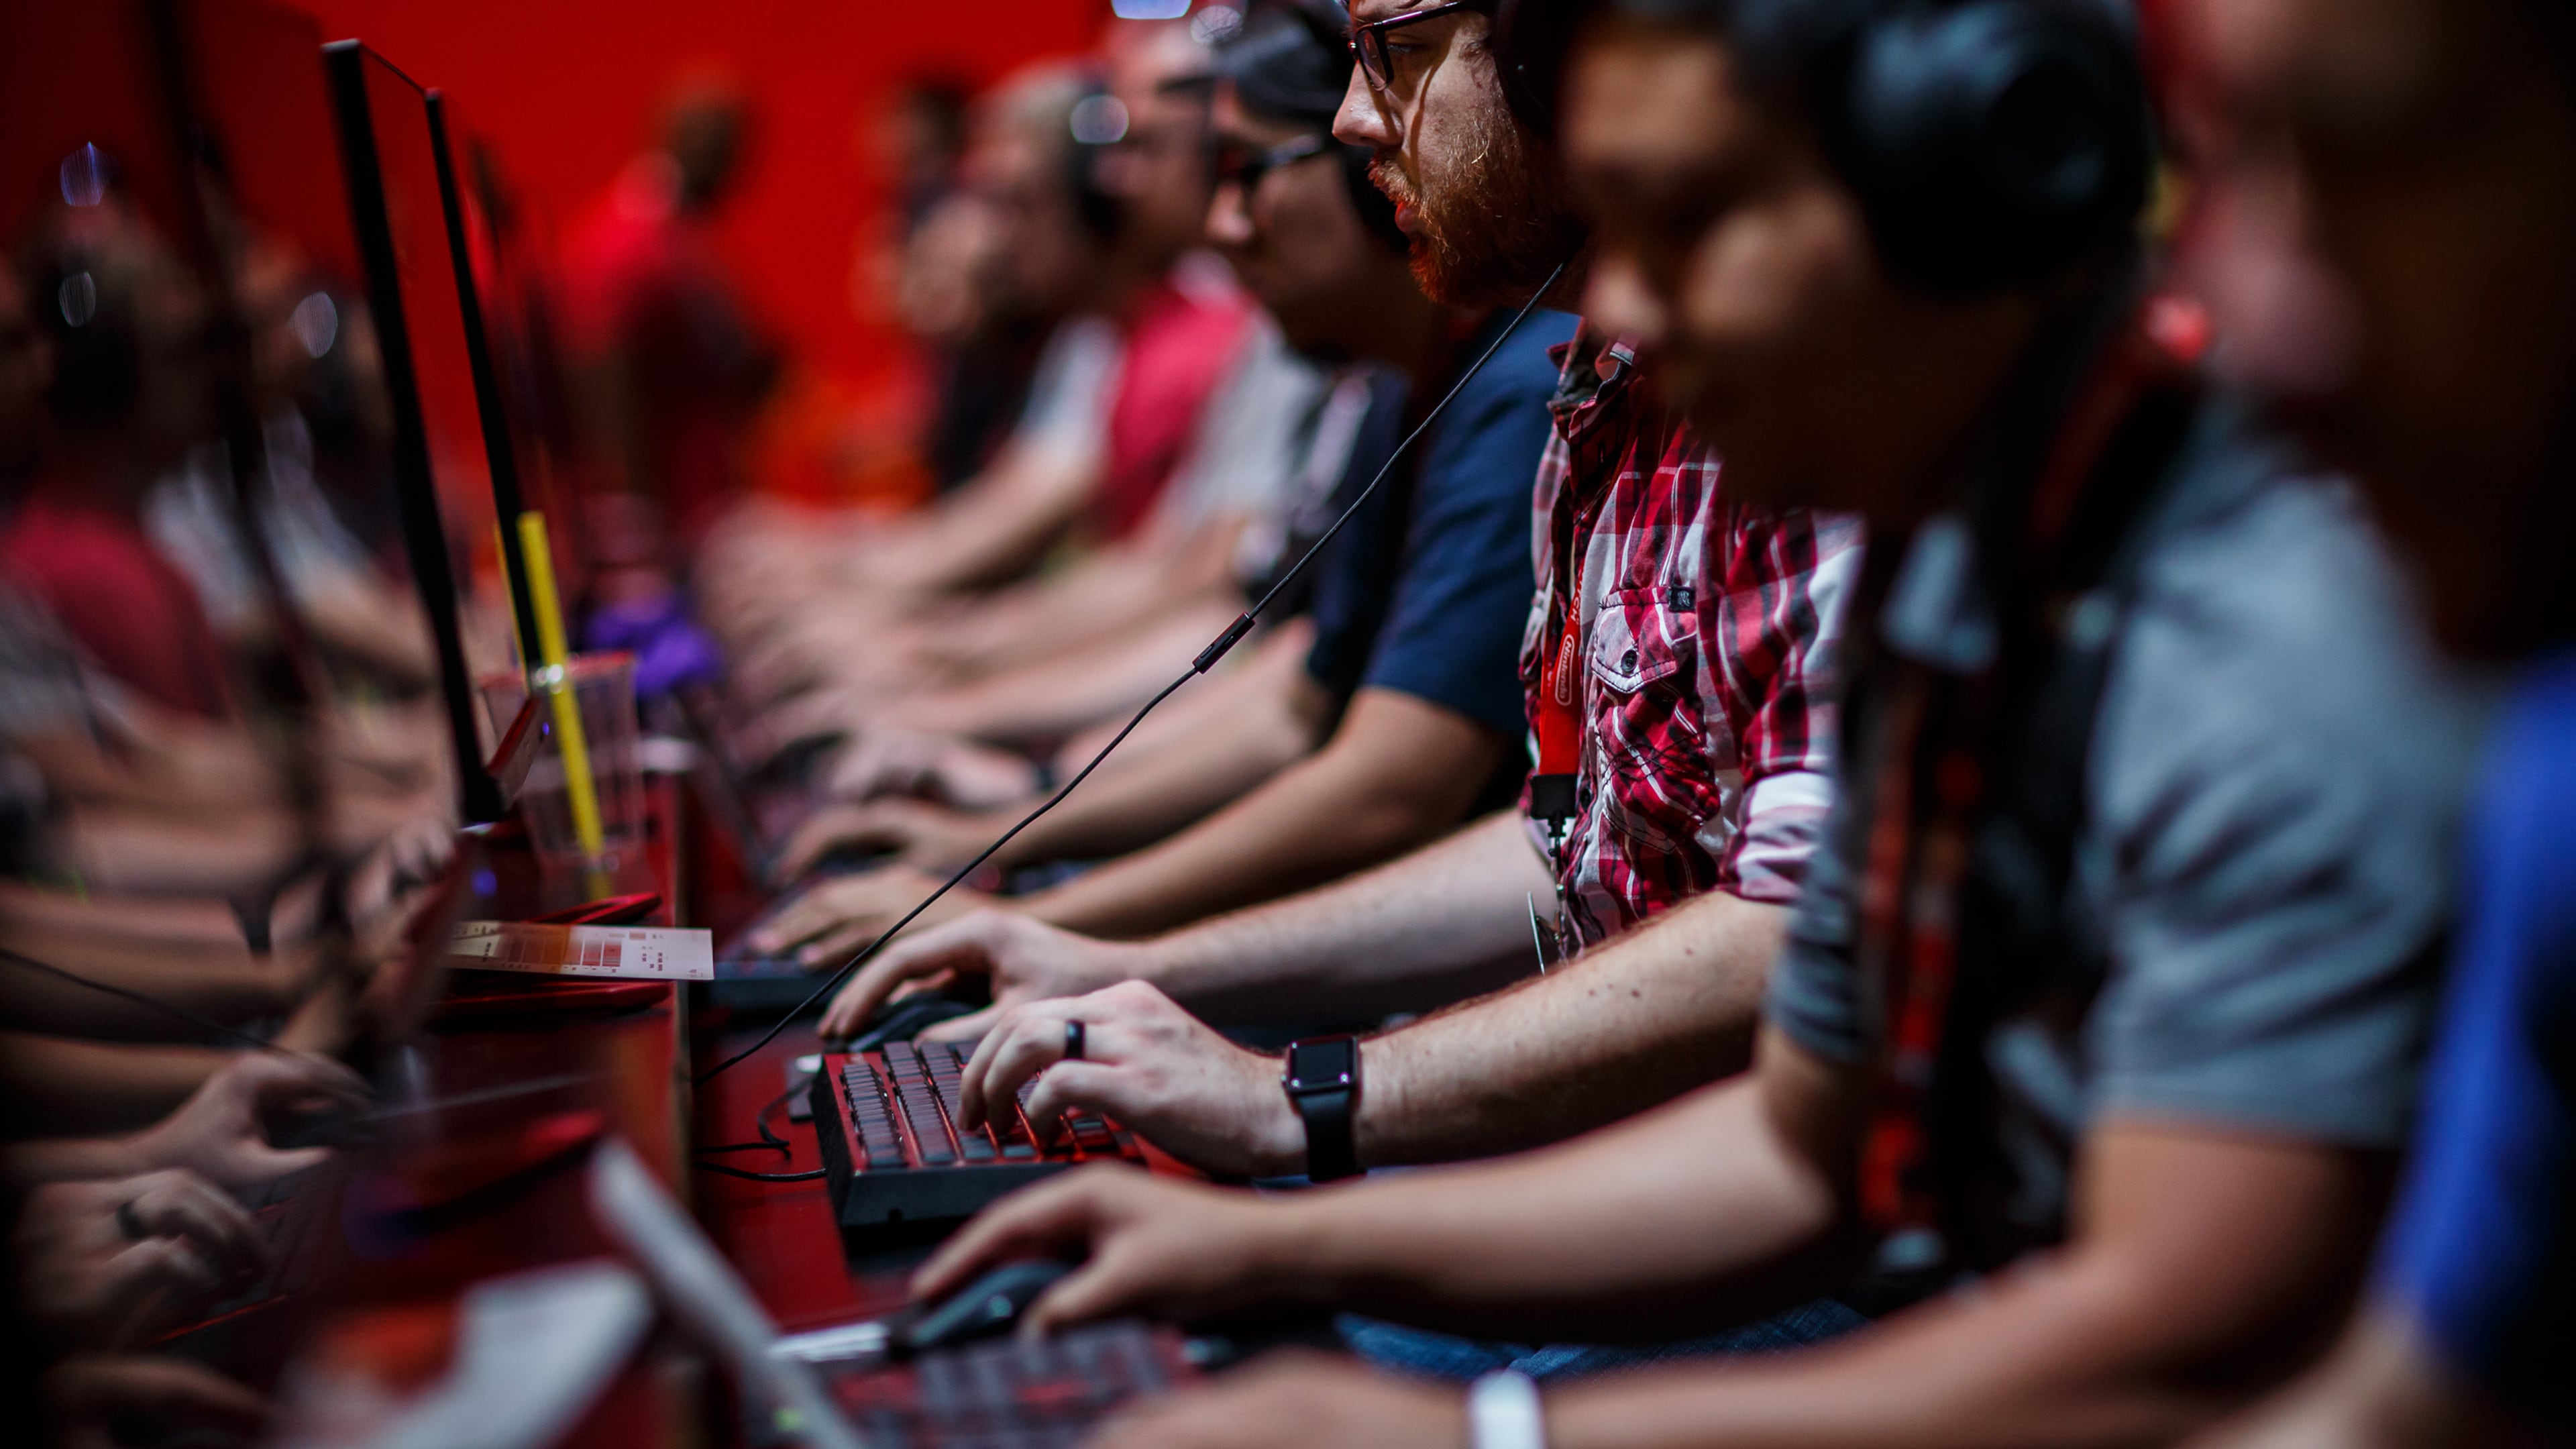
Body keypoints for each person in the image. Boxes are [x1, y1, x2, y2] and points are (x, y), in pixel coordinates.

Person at [904, 0, 2479, 1440]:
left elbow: (2172, 1341)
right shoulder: (1965, 567)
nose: (1627, 306)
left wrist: (1475, 1426)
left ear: (1944, 196)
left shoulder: (2256, 638)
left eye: (1691, 222)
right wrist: (1266, 1223)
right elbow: (1805, 1146)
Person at [804, 0, 1858, 1198]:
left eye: (1398, 54)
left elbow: (1774, 921)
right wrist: (1117, 958)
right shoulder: (1589, 381)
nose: (1364, 120)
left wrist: (1297, 1097)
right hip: (1644, 1159)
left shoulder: (1671, 392)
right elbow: (1573, 847)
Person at [755, 0, 1570, 951]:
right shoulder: (1401, 390)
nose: (1221, 227)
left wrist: (1029, 907)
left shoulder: (1518, 384)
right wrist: (999, 817)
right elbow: (1292, 693)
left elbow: (1383, 783)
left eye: (1243, 173)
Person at [2169, 0, 2576, 1442]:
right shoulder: (2546, 766)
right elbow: (2419, 1403)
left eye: (2383, 153)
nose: (2241, 329)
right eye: (2235, 160)